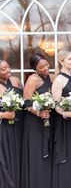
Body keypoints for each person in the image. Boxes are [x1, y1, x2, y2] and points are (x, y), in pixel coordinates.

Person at [21, 54, 53, 188]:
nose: (46, 68)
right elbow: (26, 103)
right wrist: (39, 113)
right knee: (36, 154)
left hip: (46, 120)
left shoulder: (49, 77)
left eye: (46, 65)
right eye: (41, 67)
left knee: (45, 154)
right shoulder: (33, 80)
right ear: (35, 69)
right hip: (34, 122)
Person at [51, 49, 71, 188]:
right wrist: (65, 113)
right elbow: (55, 104)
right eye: (70, 59)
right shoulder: (59, 79)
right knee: (67, 155)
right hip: (64, 123)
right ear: (61, 61)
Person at [0, 60, 23, 188]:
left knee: (14, 158)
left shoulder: (14, 81)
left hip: (16, 126)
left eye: (8, 67)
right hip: (3, 128)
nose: (7, 70)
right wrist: (4, 115)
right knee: (4, 161)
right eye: (3, 69)